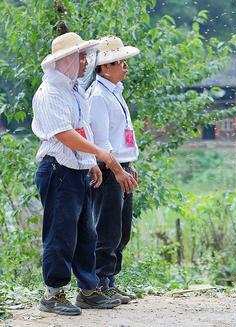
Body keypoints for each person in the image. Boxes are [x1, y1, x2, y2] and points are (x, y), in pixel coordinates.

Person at [32, 32, 138, 315]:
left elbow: (82, 128)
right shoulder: (50, 93)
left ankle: (89, 290)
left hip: (77, 169)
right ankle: (53, 294)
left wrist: (90, 161)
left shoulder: (73, 90)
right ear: (65, 60)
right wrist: (101, 155)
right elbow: (64, 135)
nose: (85, 61)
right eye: (79, 57)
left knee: (85, 234)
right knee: (60, 233)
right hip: (58, 170)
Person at [89, 35, 140, 304]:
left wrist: (130, 165)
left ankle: (111, 281)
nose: (125, 67)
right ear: (104, 67)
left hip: (122, 166)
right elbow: (102, 143)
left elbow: (123, 136)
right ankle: (99, 282)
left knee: (121, 230)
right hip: (109, 169)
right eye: (120, 62)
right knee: (107, 229)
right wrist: (119, 170)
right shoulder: (98, 96)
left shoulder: (115, 93)